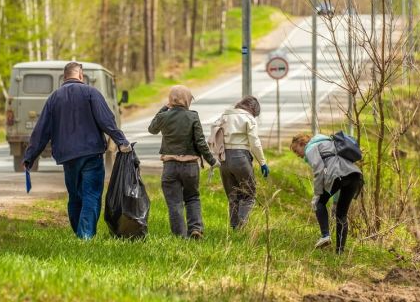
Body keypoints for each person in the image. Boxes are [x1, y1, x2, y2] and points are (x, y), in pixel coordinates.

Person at [23, 61, 131, 239]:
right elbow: (106, 120)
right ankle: (85, 236)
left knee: (75, 196)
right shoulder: (91, 93)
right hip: (91, 154)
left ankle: (79, 233)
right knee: (91, 194)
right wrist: (121, 142)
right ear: (81, 75)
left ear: (64, 77)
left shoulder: (54, 98)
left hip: (68, 157)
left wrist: (30, 156)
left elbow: (41, 130)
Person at [148, 85, 217, 238]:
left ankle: (180, 235)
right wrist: (212, 160)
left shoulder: (163, 116)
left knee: (174, 202)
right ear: (186, 100)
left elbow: (152, 129)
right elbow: (200, 142)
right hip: (190, 167)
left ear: (170, 100)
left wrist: (163, 109)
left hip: (170, 166)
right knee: (192, 197)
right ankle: (195, 229)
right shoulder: (192, 116)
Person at [290, 133, 363, 254]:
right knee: (341, 215)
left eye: (296, 151)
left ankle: (325, 235)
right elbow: (338, 170)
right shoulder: (328, 142)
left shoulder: (310, 148)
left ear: (302, 144)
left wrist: (317, 194)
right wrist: (335, 201)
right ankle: (339, 253)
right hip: (355, 175)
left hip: (340, 175)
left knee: (319, 202)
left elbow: (319, 170)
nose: (297, 155)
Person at [214, 96, 268, 229]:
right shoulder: (249, 119)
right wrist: (262, 162)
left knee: (233, 196)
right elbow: (254, 142)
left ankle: (234, 227)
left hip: (224, 159)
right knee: (249, 193)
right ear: (254, 110)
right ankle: (242, 223)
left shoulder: (224, 115)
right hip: (241, 158)